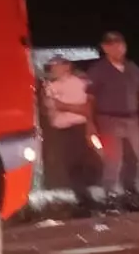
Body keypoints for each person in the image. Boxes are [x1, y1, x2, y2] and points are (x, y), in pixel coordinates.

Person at [85, 31, 139, 211]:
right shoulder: (98, 70)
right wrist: (90, 124)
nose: (117, 47)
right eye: (112, 44)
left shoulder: (132, 68)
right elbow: (90, 99)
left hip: (131, 119)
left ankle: (132, 197)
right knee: (113, 159)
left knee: (135, 158)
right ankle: (111, 199)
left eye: (120, 43)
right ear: (105, 48)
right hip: (108, 118)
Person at [42, 55, 98, 215]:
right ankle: (84, 200)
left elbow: (85, 108)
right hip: (62, 130)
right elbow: (50, 109)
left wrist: (64, 106)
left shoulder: (78, 83)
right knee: (72, 166)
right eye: (51, 66)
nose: (52, 69)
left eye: (56, 66)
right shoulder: (50, 86)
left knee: (79, 164)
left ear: (67, 67)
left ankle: (86, 201)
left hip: (77, 128)